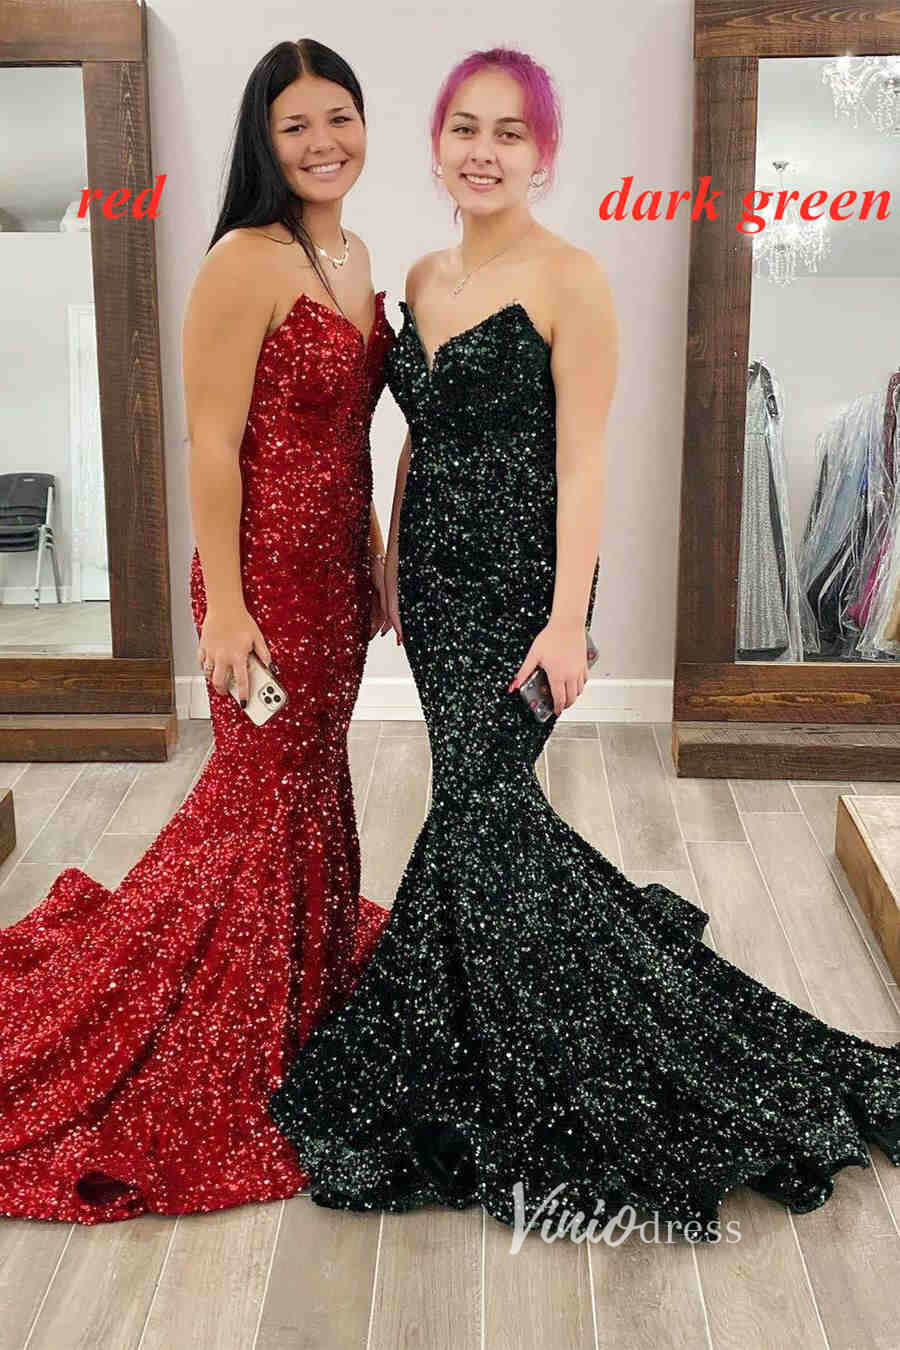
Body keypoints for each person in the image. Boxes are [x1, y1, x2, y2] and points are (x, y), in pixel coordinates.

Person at [268, 46, 900, 1243]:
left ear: (542, 155)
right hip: (436, 584)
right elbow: (420, 435)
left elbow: (585, 461)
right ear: (438, 144)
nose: (484, 150)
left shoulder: (573, 279)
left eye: (510, 132)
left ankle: (558, 1044)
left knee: (479, 809)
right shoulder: (422, 274)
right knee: (481, 815)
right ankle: (481, 1018)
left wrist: (568, 620)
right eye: (465, 128)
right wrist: (390, 557)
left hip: (524, 589)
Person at [0, 39, 393, 1224]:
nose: (322, 142)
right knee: (256, 800)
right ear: (262, 141)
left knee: (309, 780)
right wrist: (225, 602)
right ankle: (217, 1017)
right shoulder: (241, 260)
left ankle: (299, 988)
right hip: (261, 578)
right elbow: (211, 447)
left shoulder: (356, 255)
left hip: (336, 574)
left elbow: (352, 435)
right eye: (295, 125)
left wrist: (375, 553)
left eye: (339, 116)